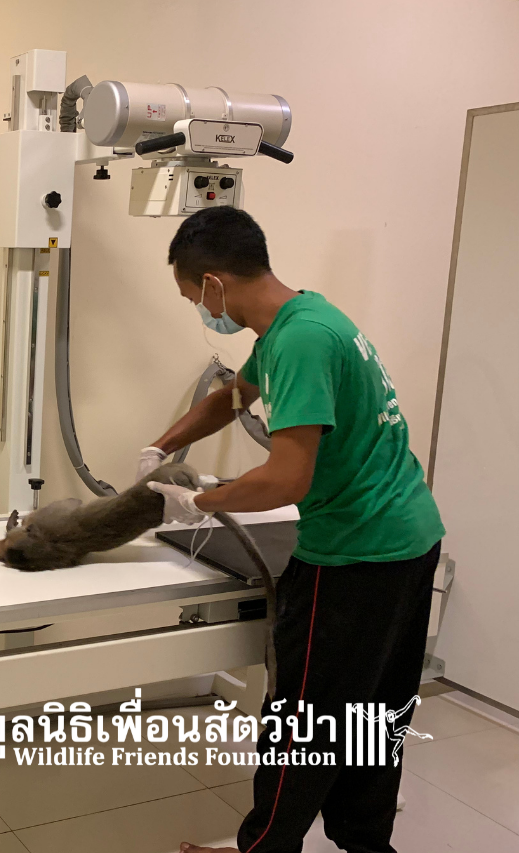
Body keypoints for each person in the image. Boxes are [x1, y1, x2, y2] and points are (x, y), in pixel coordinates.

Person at [134, 207, 444, 853]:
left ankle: (263, 849)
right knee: (372, 717)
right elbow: (230, 397)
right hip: (409, 536)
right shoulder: (303, 320)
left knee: (304, 722)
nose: (200, 309)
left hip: (356, 552)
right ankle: (366, 841)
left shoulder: (300, 342)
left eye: (194, 296)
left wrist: (200, 500)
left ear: (215, 282)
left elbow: (286, 480)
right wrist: (162, 444)